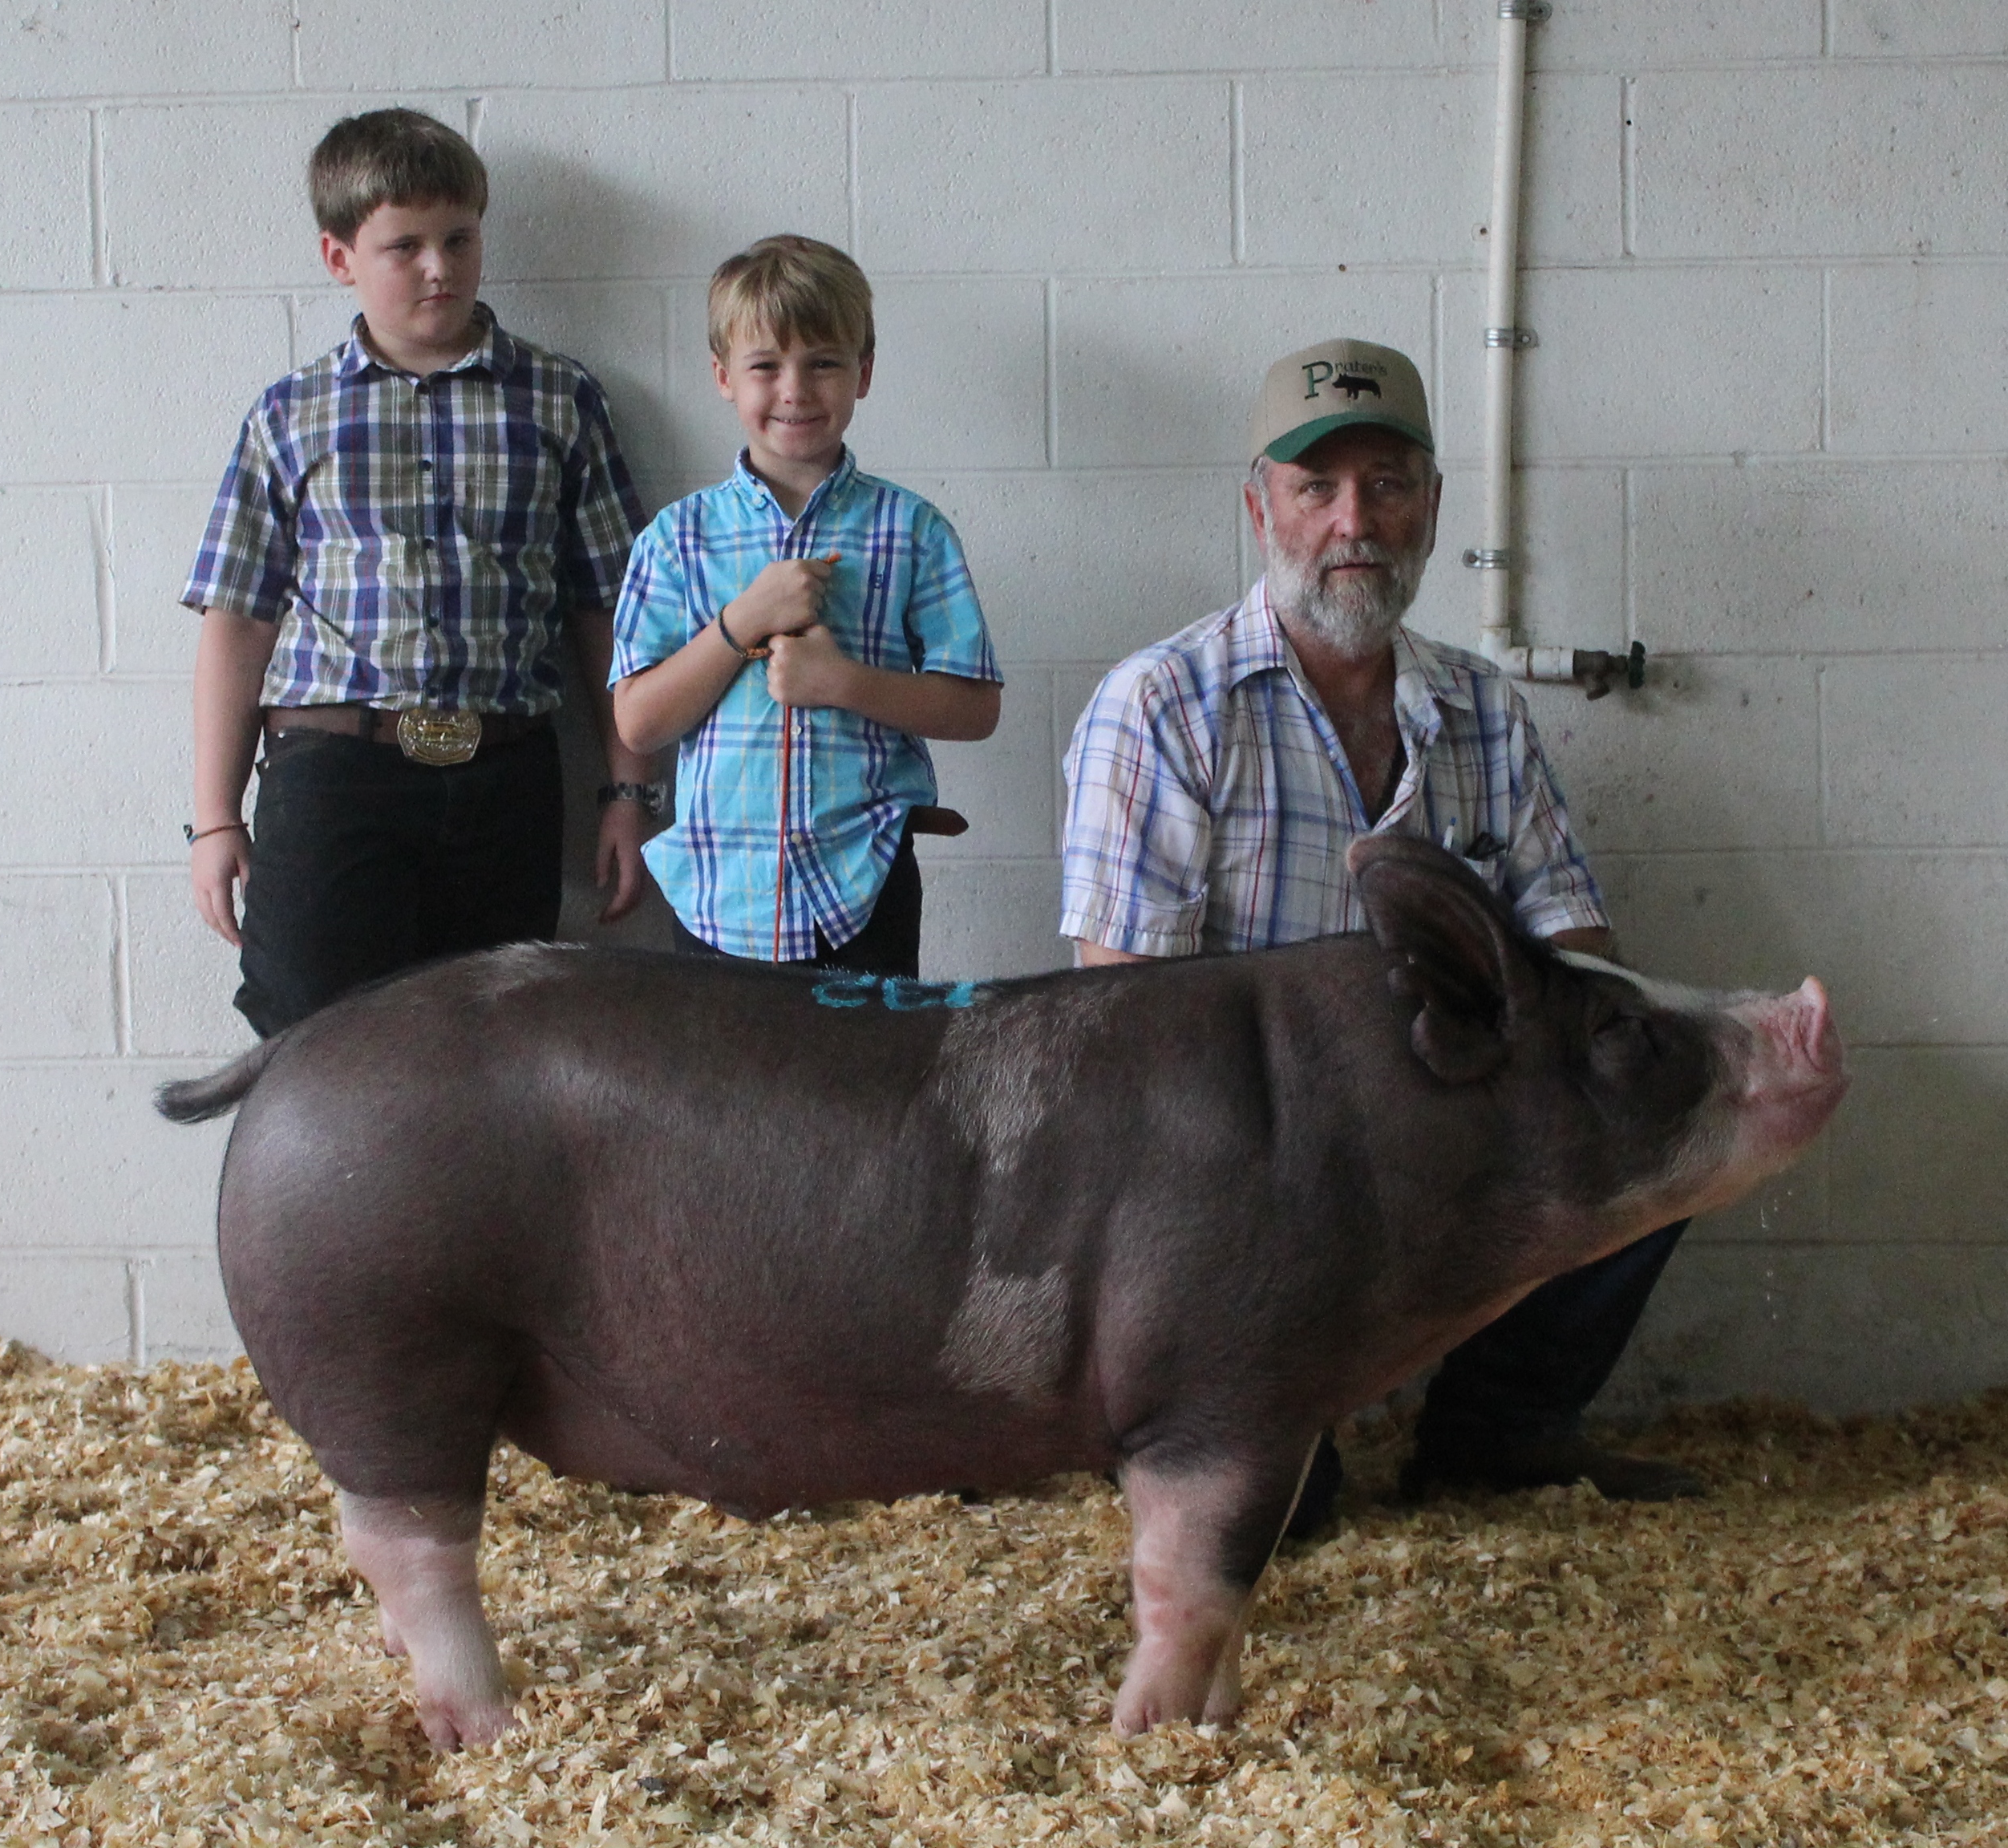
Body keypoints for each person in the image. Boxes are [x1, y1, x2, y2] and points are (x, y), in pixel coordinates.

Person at [1060, 337, 1699, 1534]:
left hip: (1440, 1123)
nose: (1354, 521)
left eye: (1388, 486)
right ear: (1262, 508)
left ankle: (1499, 1431)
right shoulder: (1163, 705)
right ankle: (1218, 1418)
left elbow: (1581, 953)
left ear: (1432, 508)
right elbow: (1125, 1025)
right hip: (1247, 1160)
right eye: (1317, 489)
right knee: (1289, 1519)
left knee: (1657, 1098)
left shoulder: (1478, 710)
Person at [181, 108, 653, 1039]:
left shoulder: (561, 398)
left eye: (459, 239)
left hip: (506, 779)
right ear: (339, 256)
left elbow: (612, 614)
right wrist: (214, 820)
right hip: (336, 778)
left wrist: (627, 793)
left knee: (489, 1052)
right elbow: (237, 623)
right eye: (404, 246)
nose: (439, 266)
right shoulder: (290, 416)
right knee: (308, 1038)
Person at [610, 235, 1001, 979]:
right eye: (766, 366)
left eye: (823, 361)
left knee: (868, 1090)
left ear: (864, 374)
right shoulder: (676, 539)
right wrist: (741, 622)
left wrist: (841, 683)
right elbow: (640, 721)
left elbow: (975, 710)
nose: (795, 389)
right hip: (718, 896)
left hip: (865, 888)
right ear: (724, 377)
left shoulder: (913, 532)